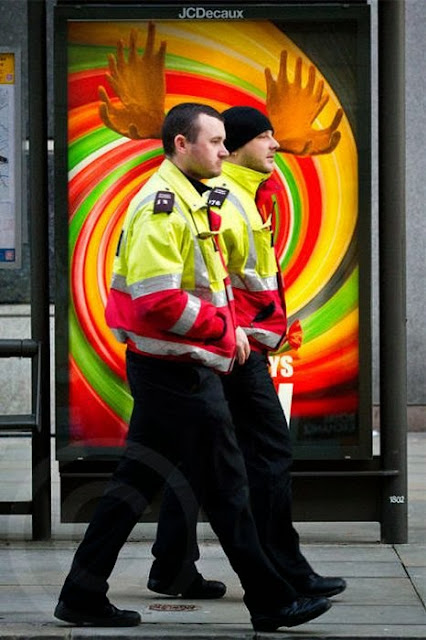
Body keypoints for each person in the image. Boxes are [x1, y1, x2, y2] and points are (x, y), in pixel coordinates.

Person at [54, 102, 332, 631]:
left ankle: (81, 593)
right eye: (215, 141)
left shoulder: (189, 199)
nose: (225, 151)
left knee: (133, 486)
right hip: (177, 372)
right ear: (181, 145)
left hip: (172, 368)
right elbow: (155, 301)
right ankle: (271, 600)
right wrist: (226, 332)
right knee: (227, 486)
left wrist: (229, 334)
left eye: (226, 141)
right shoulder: (162, 208)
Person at [147, 106, 347, 601]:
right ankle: (284, 570)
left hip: (228, 344)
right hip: (236, 348)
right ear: (234, 148)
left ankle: (172, 567)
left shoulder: (241, 196)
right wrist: (242, 335)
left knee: (191, 456)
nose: (275, 145)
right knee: (269, 453)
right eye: (265, 137)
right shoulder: (228, 200)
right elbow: (213, 283)